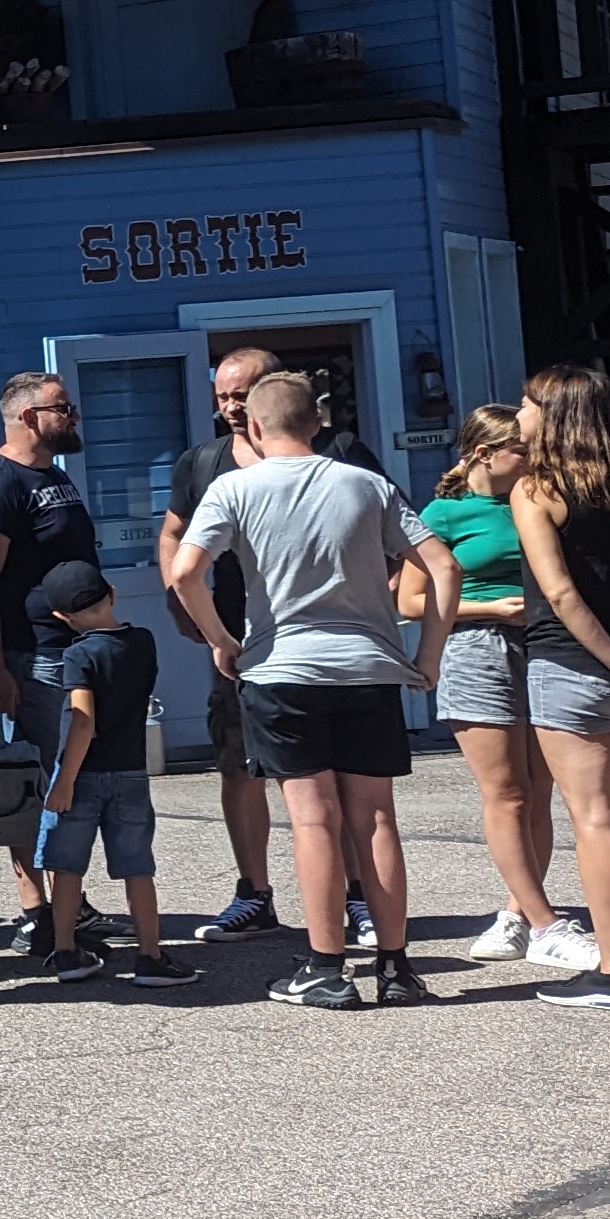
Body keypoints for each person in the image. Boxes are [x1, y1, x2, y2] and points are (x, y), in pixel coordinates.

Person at [163, 371, 458, 1009]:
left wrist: (221, 639)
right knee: (375, 817)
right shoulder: (366, 484)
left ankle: (326, 968)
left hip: (282, 671)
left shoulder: (233, 488)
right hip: (368, 669)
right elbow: (443, 564)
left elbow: (185, 572)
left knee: (313, 818)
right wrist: (427, 654)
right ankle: (395, 967)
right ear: (319, 422)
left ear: (255, 426)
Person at [161, 347, 384, 942]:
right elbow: (174, 535)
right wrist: (185, 606)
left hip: (326, 642)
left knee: (334, 778)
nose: (231, 408)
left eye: (241, 396)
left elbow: (391, 530)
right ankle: (254, 894)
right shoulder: (203, 463)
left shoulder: (338, 452)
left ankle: (356, 897)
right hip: (238, 644)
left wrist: (380, 599)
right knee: (240, 770)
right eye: (222, 398)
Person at [507, 361, 610, 1009]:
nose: (519, 415)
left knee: (597, 818)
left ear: (553, 414)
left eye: (527, 405)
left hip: (572, 666)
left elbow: (560, 593)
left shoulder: (536, 489)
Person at [419, 410, 569, 966]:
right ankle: (540, 922)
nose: (533, 458)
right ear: (485, 453)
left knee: (540, 790)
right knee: (507, 794)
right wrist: (490, 608)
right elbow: (409, 599)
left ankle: (518, 914)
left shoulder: (539, 498)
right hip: (477, 647)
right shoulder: (444, 513)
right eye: (523, 450)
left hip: (546, 644)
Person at [0, 370, 99, 948]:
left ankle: (73, 904)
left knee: (73, 781)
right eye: (62, 408)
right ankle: (35, 911)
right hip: (32, 656)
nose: (73, 416)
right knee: (28, 784)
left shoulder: (54, 477)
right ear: (28, 417)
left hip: (76, 650)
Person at [21, 562, 190, 984]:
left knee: (66, 866)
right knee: (137, 868)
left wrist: (64, 781)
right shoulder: (143, 642)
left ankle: (66, 952)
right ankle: (150, 956)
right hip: (130, 771)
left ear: (61, 616)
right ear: (112, 594)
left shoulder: (77, 655)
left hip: (82, 774)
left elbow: (83, 721)